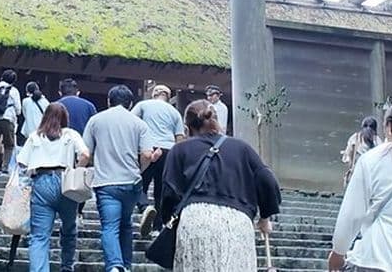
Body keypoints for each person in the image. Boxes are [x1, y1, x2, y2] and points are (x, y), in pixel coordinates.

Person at [160, 99, 281, 272]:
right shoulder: (242, 147)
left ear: (188, 128)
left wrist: (168, 220)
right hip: (238, 221)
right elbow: (267, 179)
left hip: (195, 219)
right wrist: (265, 217)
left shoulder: (179, 150)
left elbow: (169, 192)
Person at [83, 85, 161, 272]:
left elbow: (86, 152)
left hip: (106, 182)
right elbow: (146, 154)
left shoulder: (96, 120)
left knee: (110, 226)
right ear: (130, 103)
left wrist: (80, 169)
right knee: (126, 224)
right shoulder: (139, 124)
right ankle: (126, 265)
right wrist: (139, 169)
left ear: (109, 101)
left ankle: (115, 265)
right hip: (131, 182)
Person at [328, 99, 392, 272]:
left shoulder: (373, 159)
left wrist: (338, 253)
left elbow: (352, 215)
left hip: (374, 258)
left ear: (390, 126)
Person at [17, 103, 90, 272]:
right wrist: (76, 169)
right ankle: (67, 266)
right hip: (65, 182)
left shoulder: (35, 136)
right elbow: (85, 154)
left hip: (41, 182)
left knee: (39, 236)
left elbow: (21, 163)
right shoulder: (70, 134)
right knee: (69, 228)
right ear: (65, 118)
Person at [132, 84, 185, 236]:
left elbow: (131, 122)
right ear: (168, 96)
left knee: (140, 183)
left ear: (154, 94)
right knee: (161, 190)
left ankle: (144, 207)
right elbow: (179, 137)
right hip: (168, 150)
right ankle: (157, 227)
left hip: (148, 148)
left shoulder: (143, 105)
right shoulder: (174, 112)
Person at [57, 77, 97, 222]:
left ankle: (62, 208)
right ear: (78, 92)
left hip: (61, 149)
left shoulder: (55, 105)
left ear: (60, 92)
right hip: (83, 148)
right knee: (81, 180)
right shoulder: (89, 106)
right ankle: (78, 210)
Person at [341, 116, 383, 187]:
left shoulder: (378, 143)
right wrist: (350, 165)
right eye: (365, 126)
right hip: (356, 176)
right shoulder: (355, 139)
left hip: (371, 178)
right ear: (362, 128)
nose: (368, 129)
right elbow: (346, 157)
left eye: (371, 127)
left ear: (374, 131)